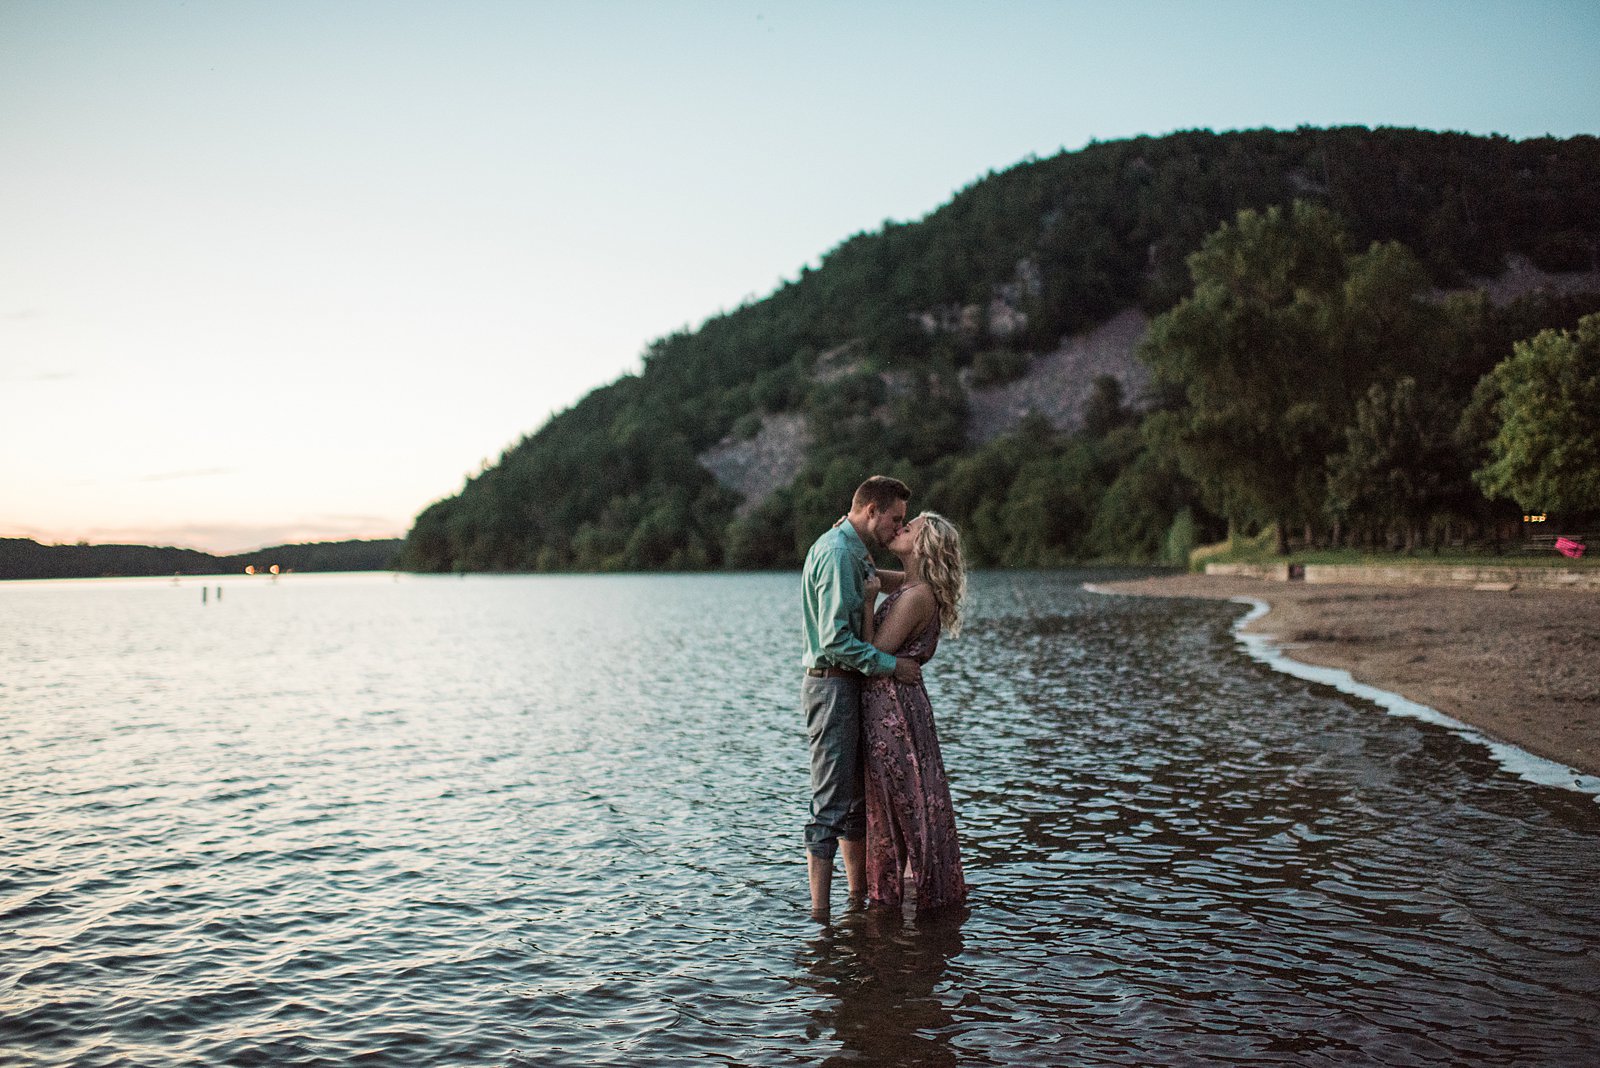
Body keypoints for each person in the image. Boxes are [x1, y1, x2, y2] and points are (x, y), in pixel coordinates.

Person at [800, 476, 925, 916]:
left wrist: (927, 573)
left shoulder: (852, 548)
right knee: (831, 802)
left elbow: (893, 583)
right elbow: (835, 642)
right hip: (831, 683)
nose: (897, 527)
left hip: (846, 684)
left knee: (854, 803)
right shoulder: (838, 553)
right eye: (895, 518)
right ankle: (819, 917)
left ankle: (855, 902)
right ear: (872, 510)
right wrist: (894, 666)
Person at [859, 512, 968, 912]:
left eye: (910, 527)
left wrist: (869, 599)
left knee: (900, 800)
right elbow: (875, 571)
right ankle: (905, 895)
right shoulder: (911, 584)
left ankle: (898, 899)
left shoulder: (918, 596)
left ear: (925, 545)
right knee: (907, 797)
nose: (900, 528)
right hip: (897, 706)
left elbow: (875, 651)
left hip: (895, 711)